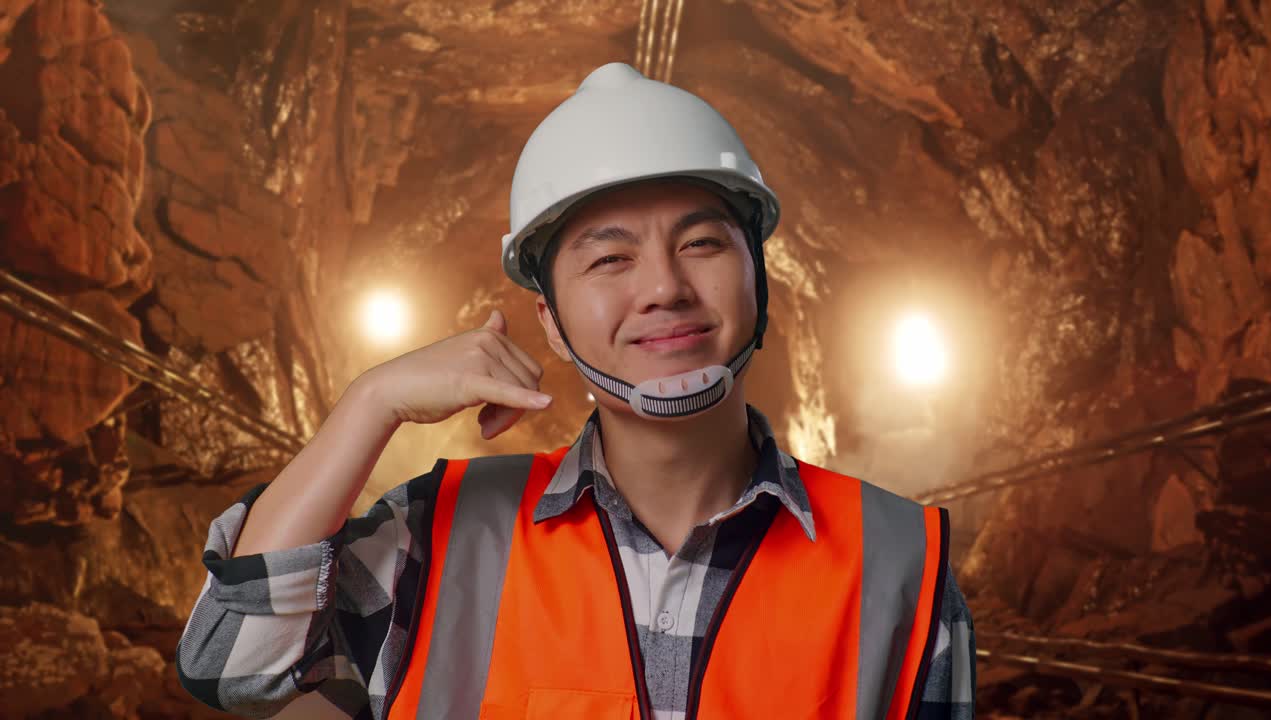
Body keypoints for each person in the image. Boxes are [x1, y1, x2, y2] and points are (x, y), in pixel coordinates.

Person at [177, 62, 976, 720]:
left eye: (701, 243)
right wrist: (371, 400)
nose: (665, 287)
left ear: (761, 280)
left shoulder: (899, 560)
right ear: (551, 323)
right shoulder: (442, 532)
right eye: (609, 259)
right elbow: (231, 664)